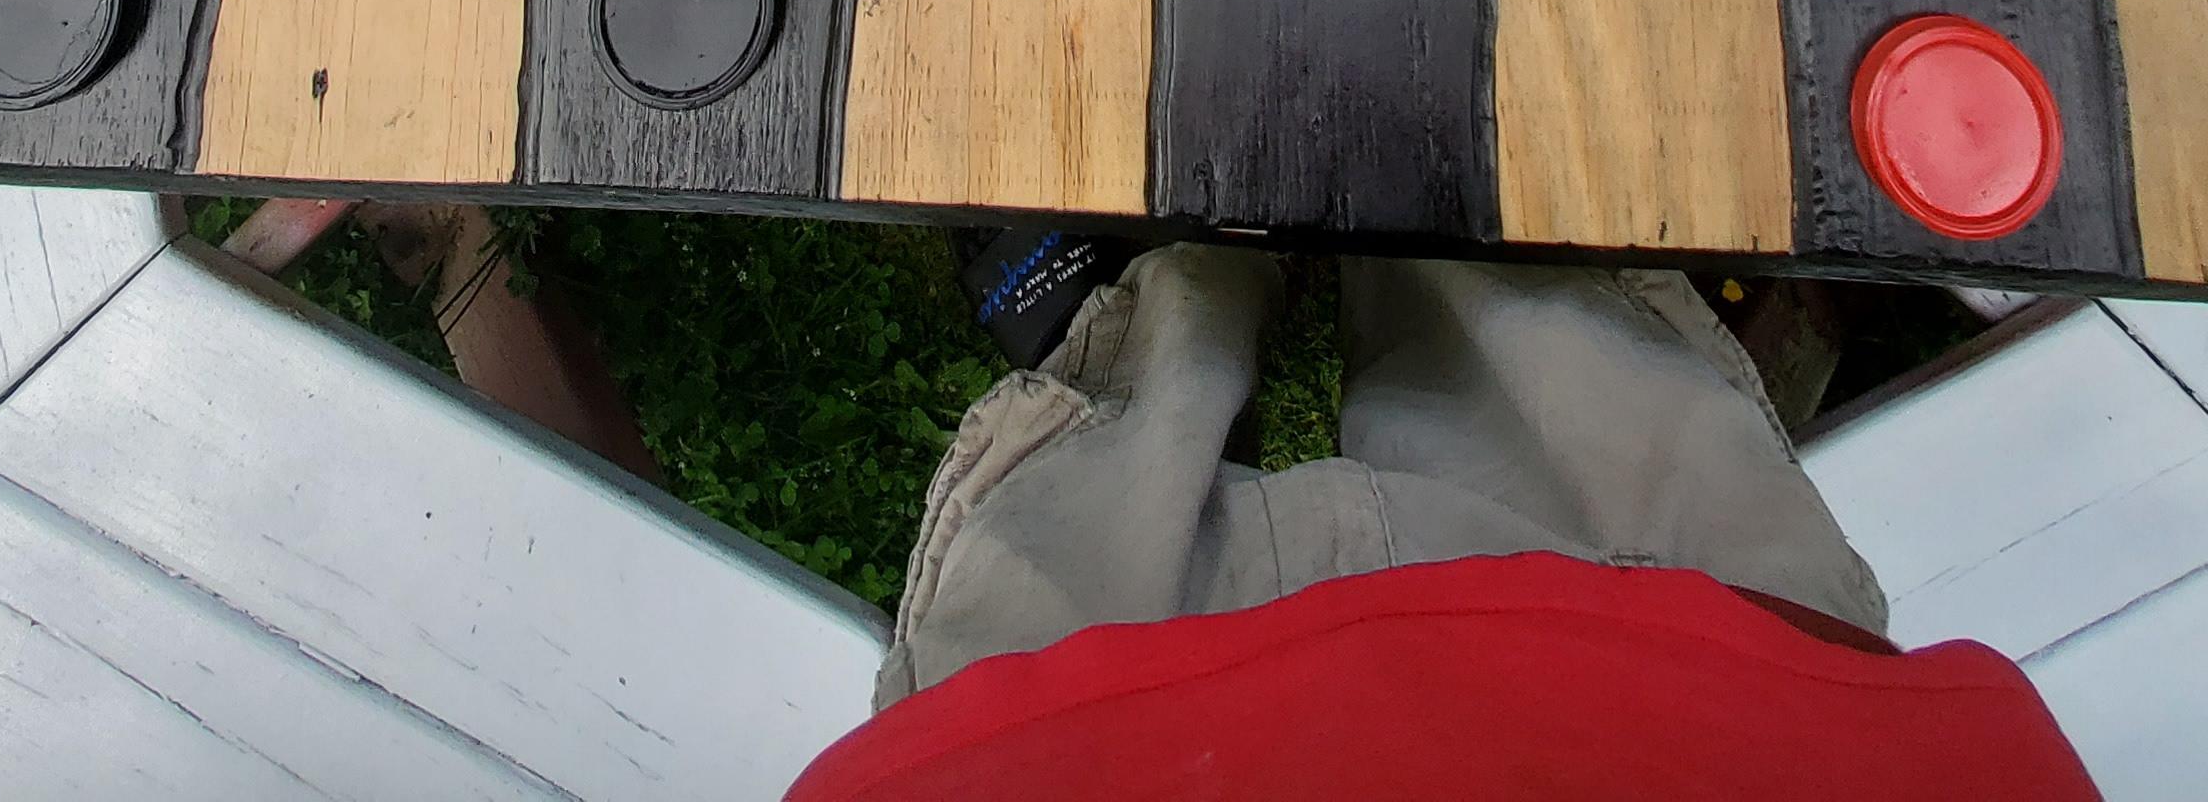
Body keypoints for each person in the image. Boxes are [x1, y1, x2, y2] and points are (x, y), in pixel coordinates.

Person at [783, 240, 2103, 802]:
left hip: (1056, 764)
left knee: (1119, 452)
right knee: (1553, 358)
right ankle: (1474, 223)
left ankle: (1152, 270)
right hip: (1719, 724)